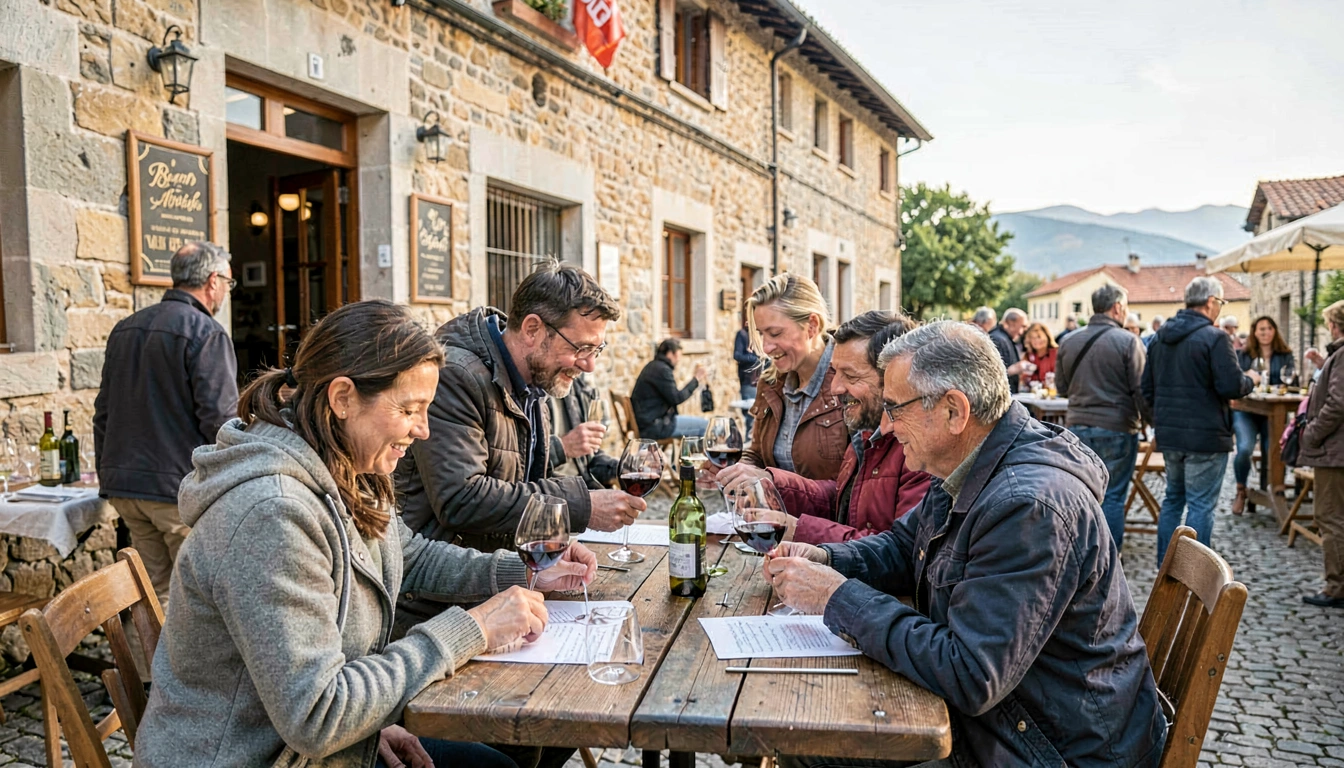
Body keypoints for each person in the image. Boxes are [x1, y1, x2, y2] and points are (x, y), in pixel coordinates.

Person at [134, 300, 599, 768]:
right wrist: (472, 629)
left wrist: (525, 572)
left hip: (302, 745)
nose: (422, 431)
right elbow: (317, 714)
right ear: (342, 398)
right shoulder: (272, 514)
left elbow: (408, 554)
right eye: (409, 409)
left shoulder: (346, 465)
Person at [764, 321, 1165, 768]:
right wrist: (825, 557)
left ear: (955, 411)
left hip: (1053, 748)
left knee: (813, 746)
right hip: (1019, 720)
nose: (888, 425)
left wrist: (837, 597)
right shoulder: (969, 462)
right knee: (810, 737)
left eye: (896, 408)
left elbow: (971, 673)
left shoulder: (1025, 507)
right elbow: (902, 546)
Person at [394, 262, 644, 580]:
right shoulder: (456, 376)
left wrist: (552, 540)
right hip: (442, 594)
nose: (590, 365)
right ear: (531, 329)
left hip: (500, 576)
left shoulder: (535, 384)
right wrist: (581, 507)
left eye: (597, 349)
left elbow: (518, 487)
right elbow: (461, 500)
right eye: (581, 348)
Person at [92, 241, 239, 608]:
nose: (225, 292)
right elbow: (220, 421)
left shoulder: (125, 328)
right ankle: (183, 668)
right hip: (177, 491)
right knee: (198, 599)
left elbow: (103, 412)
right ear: (212, 280)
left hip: (127, 488)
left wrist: (107, 476)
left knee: (153, 597)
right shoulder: (206, 332)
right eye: (228, 283)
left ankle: (149, 668)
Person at [717, 311, 931, 544]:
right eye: (835, 372)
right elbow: (841, 503)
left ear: (892, 378)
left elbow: (899, 553)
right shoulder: (868, 432)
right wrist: (771, 482)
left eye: (850, 376)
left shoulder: (920, 448)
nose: (835, 387)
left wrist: (797, 529)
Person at [1143, 277, 1258, 565]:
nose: (1220, 308)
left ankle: (1164, 565)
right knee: (1201, 505)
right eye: (1220, 302)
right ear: (1210, 302)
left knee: (1172, 499)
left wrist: (1160, 421)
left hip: (1171, 434)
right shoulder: (1215, 337)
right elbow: (1231, 386)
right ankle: (1193, 574)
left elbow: (1146, 389)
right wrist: (1251, 380)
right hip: (1206, 436)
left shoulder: (1160, 337)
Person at [1057, 284, 1152, 551]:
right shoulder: (1128, 341)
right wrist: (1150, 423)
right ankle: (1109, 560)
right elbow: (1140, 390)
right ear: (1118, 307)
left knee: (1081, 493)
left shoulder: (1068, 341)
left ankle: (1078, 554)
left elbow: (1062, 389)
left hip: (1077, 426)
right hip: (1117, 426)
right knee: (1112, 496)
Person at [738, 274, 847, 481]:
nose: (766, 347)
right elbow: (758, 455)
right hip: (769, 513)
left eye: (776, 333)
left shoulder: (850, 382)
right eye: (762, 334)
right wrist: (736, 469)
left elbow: (858, 490)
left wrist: (777, 483)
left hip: (824, 515)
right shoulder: (770, 381)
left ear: (812, 326)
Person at [1300, 300, 1344, 608]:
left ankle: (1336, 587)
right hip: (1335, 448)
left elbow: (1338, 403)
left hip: (1335, 450)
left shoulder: (1342, 354)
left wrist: (1311, 434)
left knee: (1330, 517)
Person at [1231, 316, 1295, 514]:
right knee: (1244, 448)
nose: (1265, 332)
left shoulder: (1285, 355)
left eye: (1268, 328)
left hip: (1273, 412)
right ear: (1254, 332)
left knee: (1274, 449)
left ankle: (1276, 490)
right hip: (1247, 409)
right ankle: (1241, 490)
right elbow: (1234, 381)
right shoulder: (1242, 355)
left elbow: (1292, 381)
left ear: (1274, 331)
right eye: (1261, 329)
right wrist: (1247, 377)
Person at [546, 374, 619, 489]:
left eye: (595, 356)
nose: (590, 367)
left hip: (583, 486)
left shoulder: (576, 387)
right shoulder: (531, 392)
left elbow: (589, 459)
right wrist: (563, 447)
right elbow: (522, 465)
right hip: (554, 494)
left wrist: (619, 468)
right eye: (581, 355)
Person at [631, 337, 710, 439]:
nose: (679, 360)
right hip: (655, 426)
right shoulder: (662, 370)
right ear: (669, 354)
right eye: (677, 355)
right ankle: (695, 455)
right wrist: (696, 379)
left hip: (648, 422)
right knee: (707, 426)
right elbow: (676, 398)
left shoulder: (653, 366)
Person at [987, 307, 1031, 392]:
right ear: (1011, 323)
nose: (1022, 332)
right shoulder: (998, 339)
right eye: (1022, 326)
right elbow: (992, 373)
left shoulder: (1004, 338)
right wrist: (1014, 369)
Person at [734, 321, 762, 437]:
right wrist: (756, 358)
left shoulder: (763, 334)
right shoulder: (742, 334)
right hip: (749, 381)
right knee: (750, 416)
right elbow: (737, 355)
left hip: (763, 381)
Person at [1019, 321, 1057, 390]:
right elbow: (1023, 379)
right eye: (1033, 338)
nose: (1036, 340)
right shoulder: (1028, 356)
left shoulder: (1056, 353)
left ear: (1047, 336)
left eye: (1039, 337)